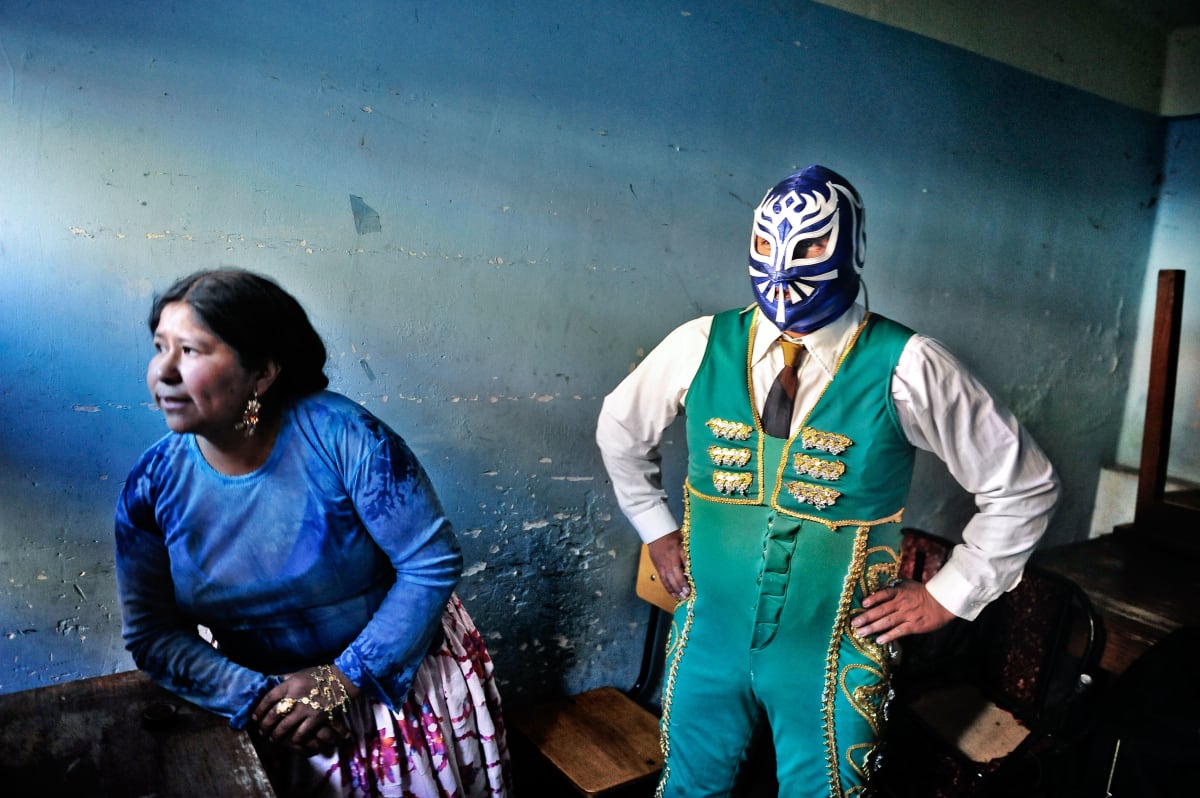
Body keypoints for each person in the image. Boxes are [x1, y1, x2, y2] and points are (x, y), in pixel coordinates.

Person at [595, 165, 1059, 797]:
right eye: (767, 243)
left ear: (850, 247)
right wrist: (655, 527)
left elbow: (1024, 486)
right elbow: (619, 430)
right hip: (708, 633)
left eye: (810, 245)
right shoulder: (699, 344)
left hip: (835, 652)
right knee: (687, 789)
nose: (784, 266)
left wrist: (950, 593)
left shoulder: (910, 364)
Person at [114, 268, 511, 798]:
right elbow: (153, 633)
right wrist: (266, 700)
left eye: (190, 350)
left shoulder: (345, 438)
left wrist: (336, 682)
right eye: (159, 346)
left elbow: (430, 564)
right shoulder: (152, 486)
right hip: (267, 711)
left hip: (391, 683)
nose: (162, 372)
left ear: (262, 372)